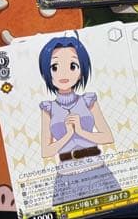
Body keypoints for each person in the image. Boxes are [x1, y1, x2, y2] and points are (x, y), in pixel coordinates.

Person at [38, 36, 119, 205]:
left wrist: (81, 131)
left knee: (113, 212)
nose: (63, 74)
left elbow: (107, 137)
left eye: (72, 66)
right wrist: (68, 134)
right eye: (55, 67)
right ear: (46, 72)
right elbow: (46, 151)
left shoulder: (88, 101)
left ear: (81, 70)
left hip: (96, 169)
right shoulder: (48, 108)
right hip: (67, 175)